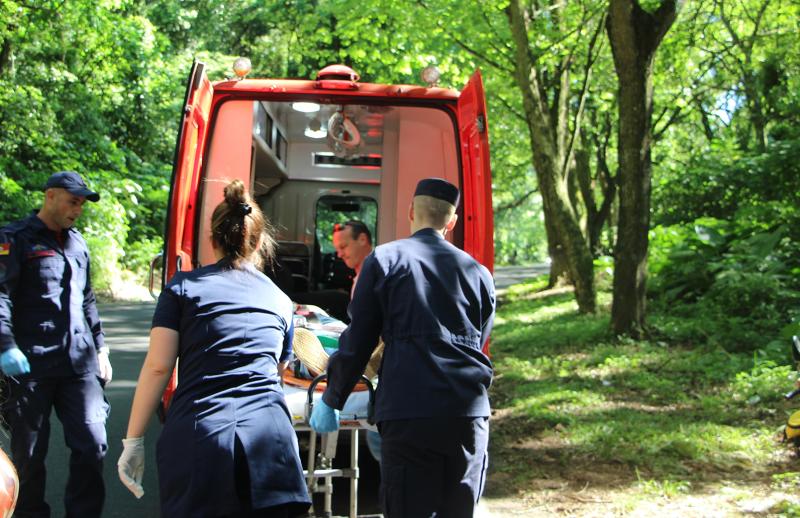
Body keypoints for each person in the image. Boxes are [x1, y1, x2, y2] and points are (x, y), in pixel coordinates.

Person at [117, 180, 311, 517]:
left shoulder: (182, 288)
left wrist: (133, 441)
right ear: (260, 241)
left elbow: (159, 367)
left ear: (213, 239)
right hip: (270, 443)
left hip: (202, 436)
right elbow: (275, 376)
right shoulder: (281, 301)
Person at [310, 178, 496, 517]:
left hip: (410, 412)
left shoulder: (385, 260)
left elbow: (359, 340)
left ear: (411, 211)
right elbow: (480, 342)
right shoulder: (479, 273)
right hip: (468, 415)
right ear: (451, 222)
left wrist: (332, 397)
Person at [0, 170, 112, 518]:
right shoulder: (14, 239)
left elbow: (87, 300)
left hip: (79, 365)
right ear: (50, 196)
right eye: (73, 201)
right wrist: (5, 346)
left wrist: (102, 348)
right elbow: (1, 296)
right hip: (31, 367)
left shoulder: (77, 243)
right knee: (29, 456)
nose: (78, 209)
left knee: (93, 445)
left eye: (81, 204)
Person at [332, 220, 373, 295]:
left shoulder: (379, 279)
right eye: (337, 250)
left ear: (362, 239)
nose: (339, 255)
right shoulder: (359, 279)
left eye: (343, 247)